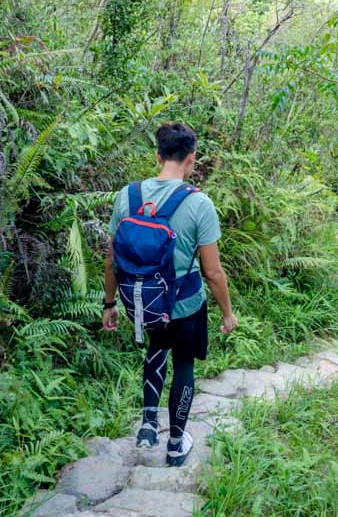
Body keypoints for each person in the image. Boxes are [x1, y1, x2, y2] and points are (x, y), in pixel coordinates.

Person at [101, 122, 238, 466]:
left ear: (158, 155)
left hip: (142, 300)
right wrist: (227, 313)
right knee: (184, 363)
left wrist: (109, 303)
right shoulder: (199, 203)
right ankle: (176, 442)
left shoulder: (127, 196)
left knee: (156, 348)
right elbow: (213, 272)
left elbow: (111, 259)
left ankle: (148, 423)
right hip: (186, 304)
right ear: (192, 158)